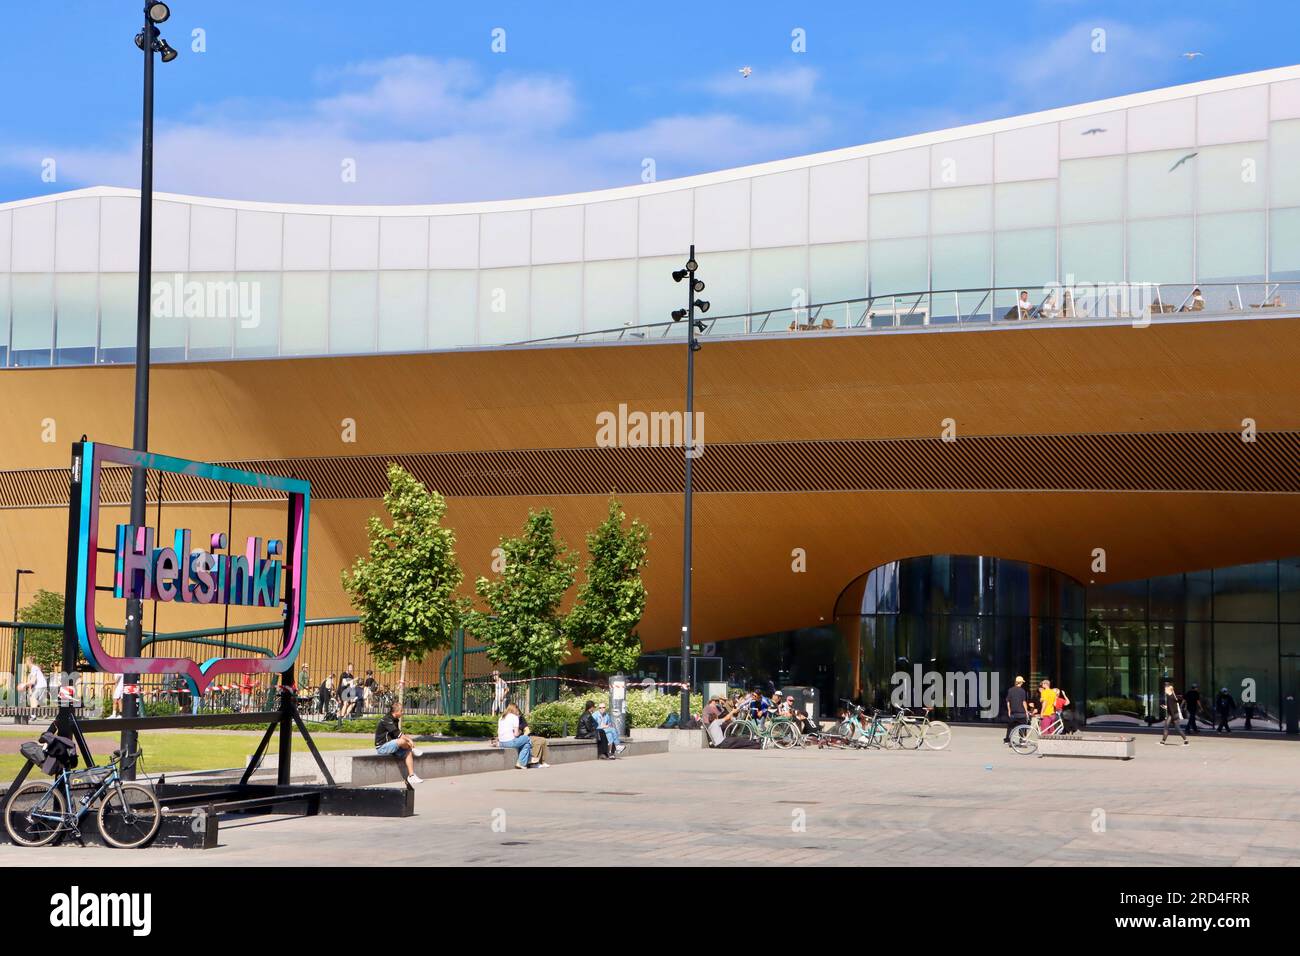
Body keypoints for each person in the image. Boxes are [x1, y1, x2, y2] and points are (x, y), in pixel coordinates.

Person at [375, 701, 423, 784]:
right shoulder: (386, 720)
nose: (403, 712)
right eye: (401, 711)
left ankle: (411, 776)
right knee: (401, 741)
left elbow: (397, 734)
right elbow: (399, 735)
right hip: (382, 747)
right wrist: (409, 740)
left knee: (408, 752)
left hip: (392, 746)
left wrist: (406, 741)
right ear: (396, 712)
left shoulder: (395, 719)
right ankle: (412, 748)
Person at [497, 704, 532, 769]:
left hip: (501, 742)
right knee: (527, 739)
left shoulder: (501, 717)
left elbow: (498, 732)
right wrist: (520, 732)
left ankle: (524, 761)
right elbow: (516, 734)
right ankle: (522, 762)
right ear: (515, 710)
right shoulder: (515, 717)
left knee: (525, 744)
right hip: (510, 742)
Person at [1004, 675, 1030, 744]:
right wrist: (1026, 711)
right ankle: (1022, 741)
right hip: (1021, 712)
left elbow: (1008, 701)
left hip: (1013, 712)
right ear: (1021, 682)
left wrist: (1009, 710)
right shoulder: (1022, 691)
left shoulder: (1010, 690)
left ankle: (1007, 740)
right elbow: (1024, 702)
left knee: (1010, 727)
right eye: (1022, 682)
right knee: (1022, 727)